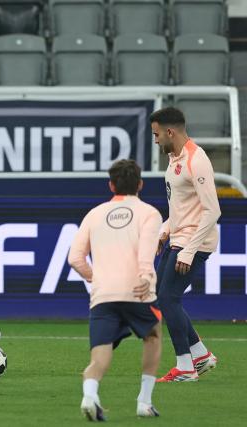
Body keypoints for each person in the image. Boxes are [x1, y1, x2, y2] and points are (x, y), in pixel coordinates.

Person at [69, 159, 163, 420]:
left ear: (111, 185)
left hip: (103, 294)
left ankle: (90, 395)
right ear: (140, 184)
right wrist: (145, 276)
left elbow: (75, 258)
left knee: (100, 354)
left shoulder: (95, 214)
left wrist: (95, 277)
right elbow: (146, 252)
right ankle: (144, 402)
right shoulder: (150, 213)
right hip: (137, 291)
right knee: (153, 335)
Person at [150, 107, 220, 382]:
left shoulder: (196, 160)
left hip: (194, 243)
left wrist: (190, 250)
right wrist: (164, 230)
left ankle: (186, 367)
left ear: (170, 132)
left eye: (157, 134)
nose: (155, 140)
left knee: (168, 299)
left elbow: (212, 211)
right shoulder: (173, 158)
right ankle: (200, 355)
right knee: (163, 296)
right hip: (179, 238)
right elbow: (181, 207)